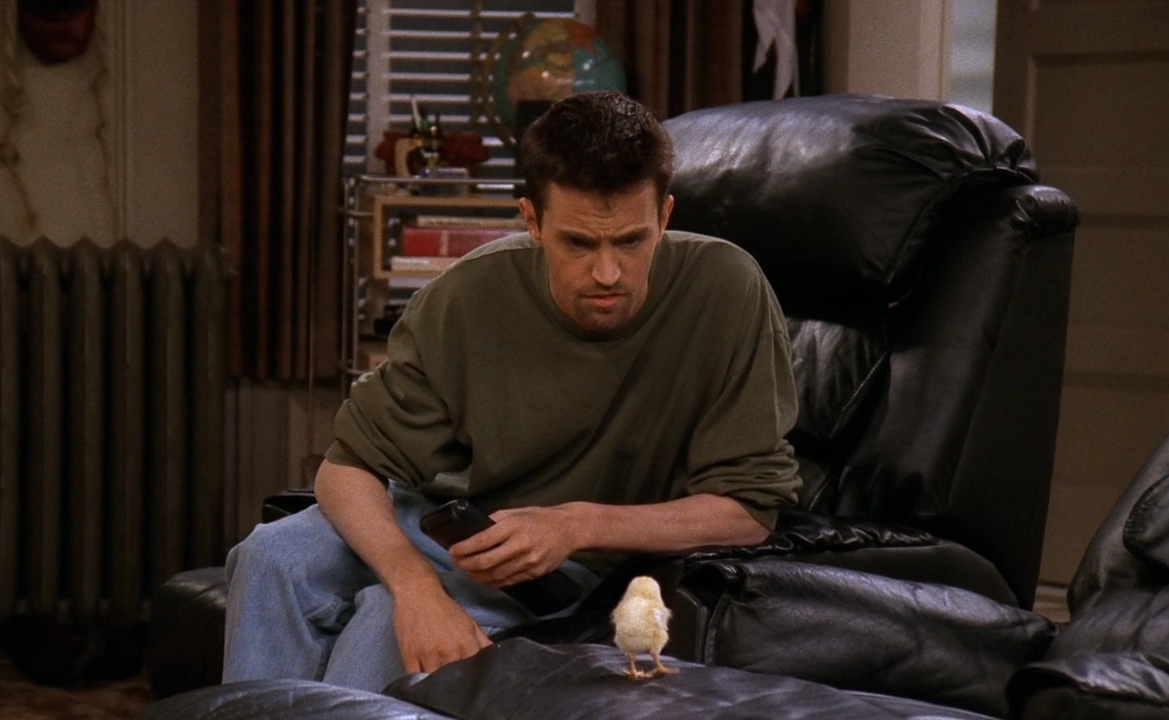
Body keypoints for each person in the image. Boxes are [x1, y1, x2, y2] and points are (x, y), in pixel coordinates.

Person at [221, 90, 802, 692]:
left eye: (631, 241)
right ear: (532, 221)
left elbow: (747, 513)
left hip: (563, 566)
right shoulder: (468, 296)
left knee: (380, 625)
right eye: (579, 243)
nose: (608, 274)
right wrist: (414, 583)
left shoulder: (727, 291)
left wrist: (574, 526)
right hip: (448, 523)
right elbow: (346, 470)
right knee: (271, 557)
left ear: (665, 216)